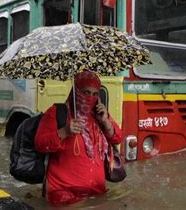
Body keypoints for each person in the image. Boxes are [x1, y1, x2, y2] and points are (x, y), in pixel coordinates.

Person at [34, 71, 122, 205]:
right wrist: (65, 132)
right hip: (64, 194)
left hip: (96, 193)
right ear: (76, 92)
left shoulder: (99, 116)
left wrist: (106, 121)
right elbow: (40, 144)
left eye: (95, 94)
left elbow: (117, 139)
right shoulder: (57, 112)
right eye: (86, 92)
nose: (90, 97)